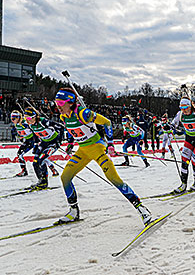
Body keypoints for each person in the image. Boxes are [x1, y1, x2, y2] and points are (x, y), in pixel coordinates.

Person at [54, 88, 152, 225]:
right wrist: (70, 144)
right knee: (65, 177)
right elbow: (71, 130)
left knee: (113, 178)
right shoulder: (63, 116)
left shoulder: (84, 114)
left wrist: (110, 144)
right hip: (83, 150)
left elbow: (107, 122)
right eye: (56, 101)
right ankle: (74, 211)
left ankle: (141, 208)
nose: (57, 105)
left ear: (70, 102)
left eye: (60, 102)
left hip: (97, 148)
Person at [10, 110, 59, 177]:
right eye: (11, 118)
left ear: (19, 117)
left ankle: (51, 169)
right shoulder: (17, 124)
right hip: (27, 140)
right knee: (20, 154)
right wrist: (21, 136)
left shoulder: (24, 123)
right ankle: (24, 171)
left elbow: (34, 130)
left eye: (14, 118)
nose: (12, 120)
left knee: (40, 156)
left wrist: (37, 141)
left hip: (32, 140)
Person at [23, 107, 63, 189]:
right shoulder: (30, 125)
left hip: (53, 143)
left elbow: (61, 127)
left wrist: (59, 140)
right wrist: (36, 144)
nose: (27, 120)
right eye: (25, 118)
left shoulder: (44, 121)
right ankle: (41, 181)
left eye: (29, 118)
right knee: (35, 163)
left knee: (41, 160)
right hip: (44, 142)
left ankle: (44, 183)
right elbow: (35, 135)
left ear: (35, 116)